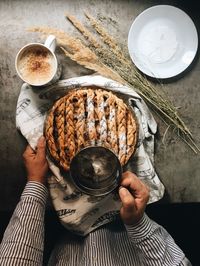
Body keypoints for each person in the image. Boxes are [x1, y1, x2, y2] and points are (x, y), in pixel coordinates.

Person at [0, 137, 191, 266]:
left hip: (68, 240)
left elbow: (17, 259)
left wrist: (35, 182)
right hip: (130, 233)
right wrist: (138, 223)